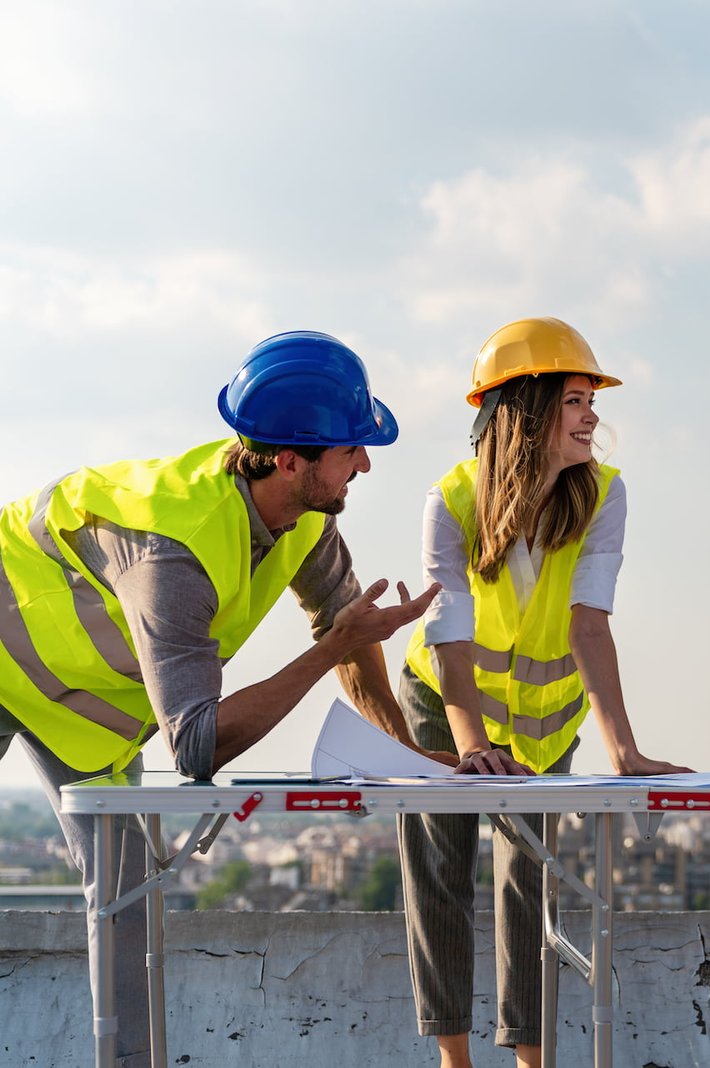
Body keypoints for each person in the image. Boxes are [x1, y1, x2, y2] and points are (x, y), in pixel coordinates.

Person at [0, 330, 442, 1068]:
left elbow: (349, 623)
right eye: (351, 449)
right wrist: (330, 646)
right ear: (291, 460)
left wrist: (400, 754)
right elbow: (198, 748)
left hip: (80, 708)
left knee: (127, 903)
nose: (365, 462)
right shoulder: (175, 549)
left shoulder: (307, 521)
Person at [396, 317, 689, 1068]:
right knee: (439, 871)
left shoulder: (603, 498)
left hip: (542, 720)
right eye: (574, 399)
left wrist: (624, 751)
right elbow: (451, 640)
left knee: (532, 881)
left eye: (592, 399)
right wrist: (470, 750)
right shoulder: (451, 501)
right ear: (523, 411)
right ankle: (454, 1060)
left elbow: (590, 626)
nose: (593, 415)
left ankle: (531, 1061)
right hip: (444, 702)